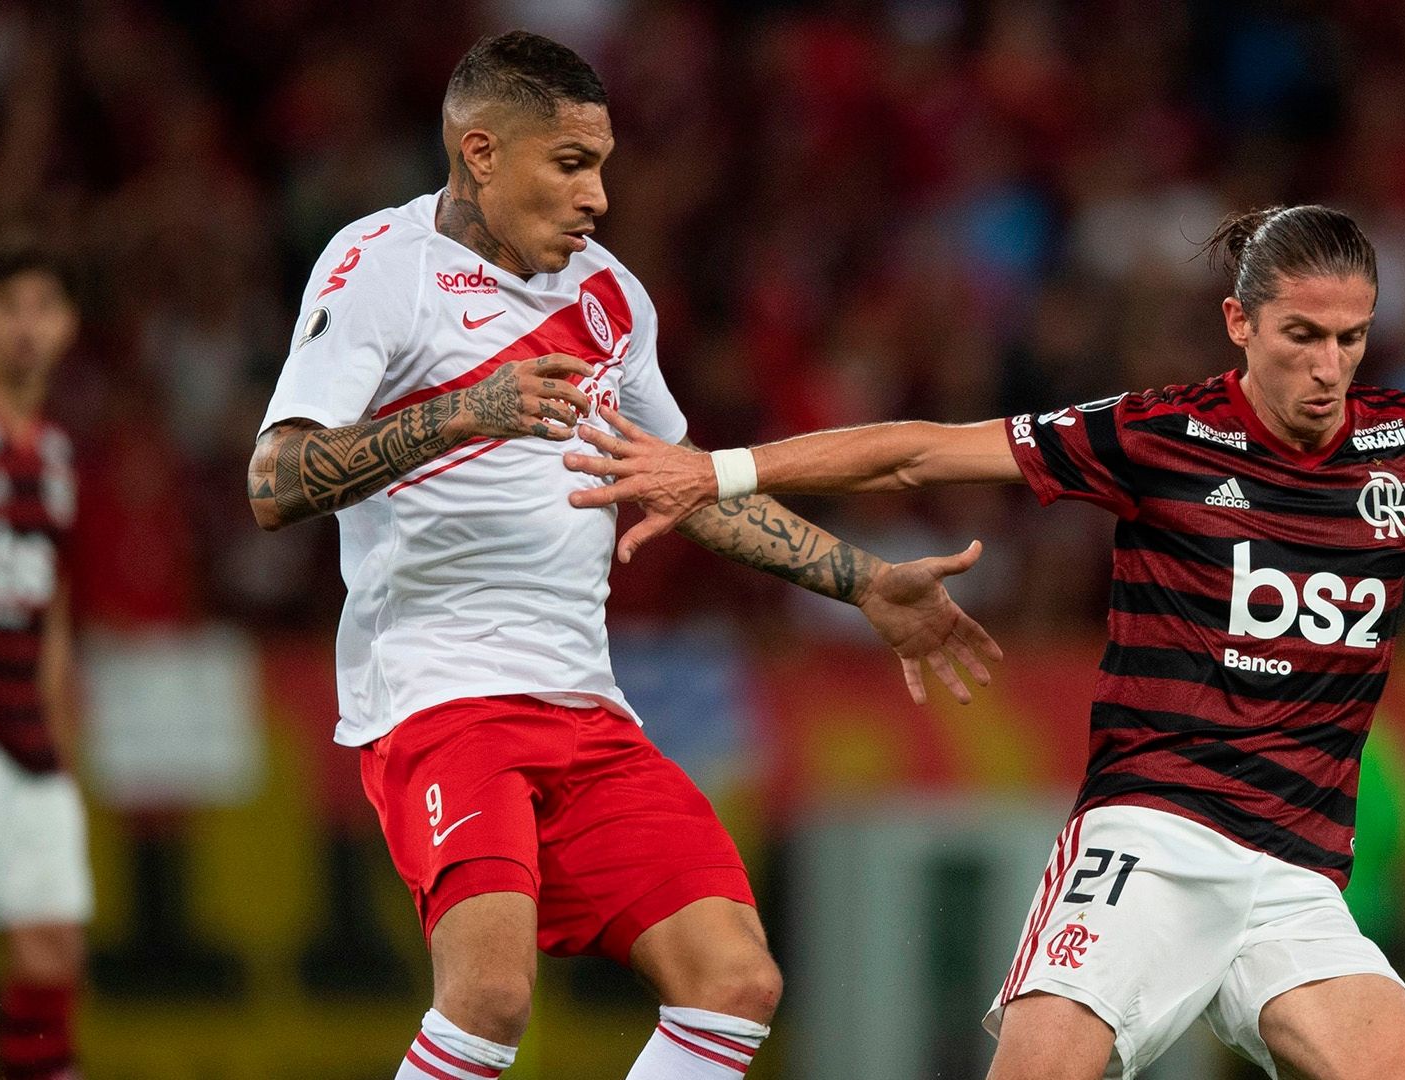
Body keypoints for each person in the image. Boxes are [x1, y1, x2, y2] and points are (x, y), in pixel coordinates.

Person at [562, 204, 1405, 1080]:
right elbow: (919, 448)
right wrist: (713, 469)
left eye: (1351, 339)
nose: (1329, 368)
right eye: (1300, 338)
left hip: (1295, 879)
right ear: (1239, 325)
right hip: (1153, 840)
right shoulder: (1157, 435)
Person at [246, 30, 1000, 1080]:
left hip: (584, 707)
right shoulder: (380, 269)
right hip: (438, 694)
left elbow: (678, 482)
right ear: (480, 153)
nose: (599, 195)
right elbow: (274, 484)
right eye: (571, 164)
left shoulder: (611, 299)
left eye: (602, 163)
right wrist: (461, 413)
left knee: (736, 984)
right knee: (490, 998)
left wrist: (865, 582)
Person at [0, 235, 90, 1080]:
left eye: (44, 307)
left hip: (27, 734)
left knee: (49, 949)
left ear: (70, 325)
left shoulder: (55, 453)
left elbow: (54, 606)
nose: (27, 327)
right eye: (8, 306)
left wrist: (61, 735)